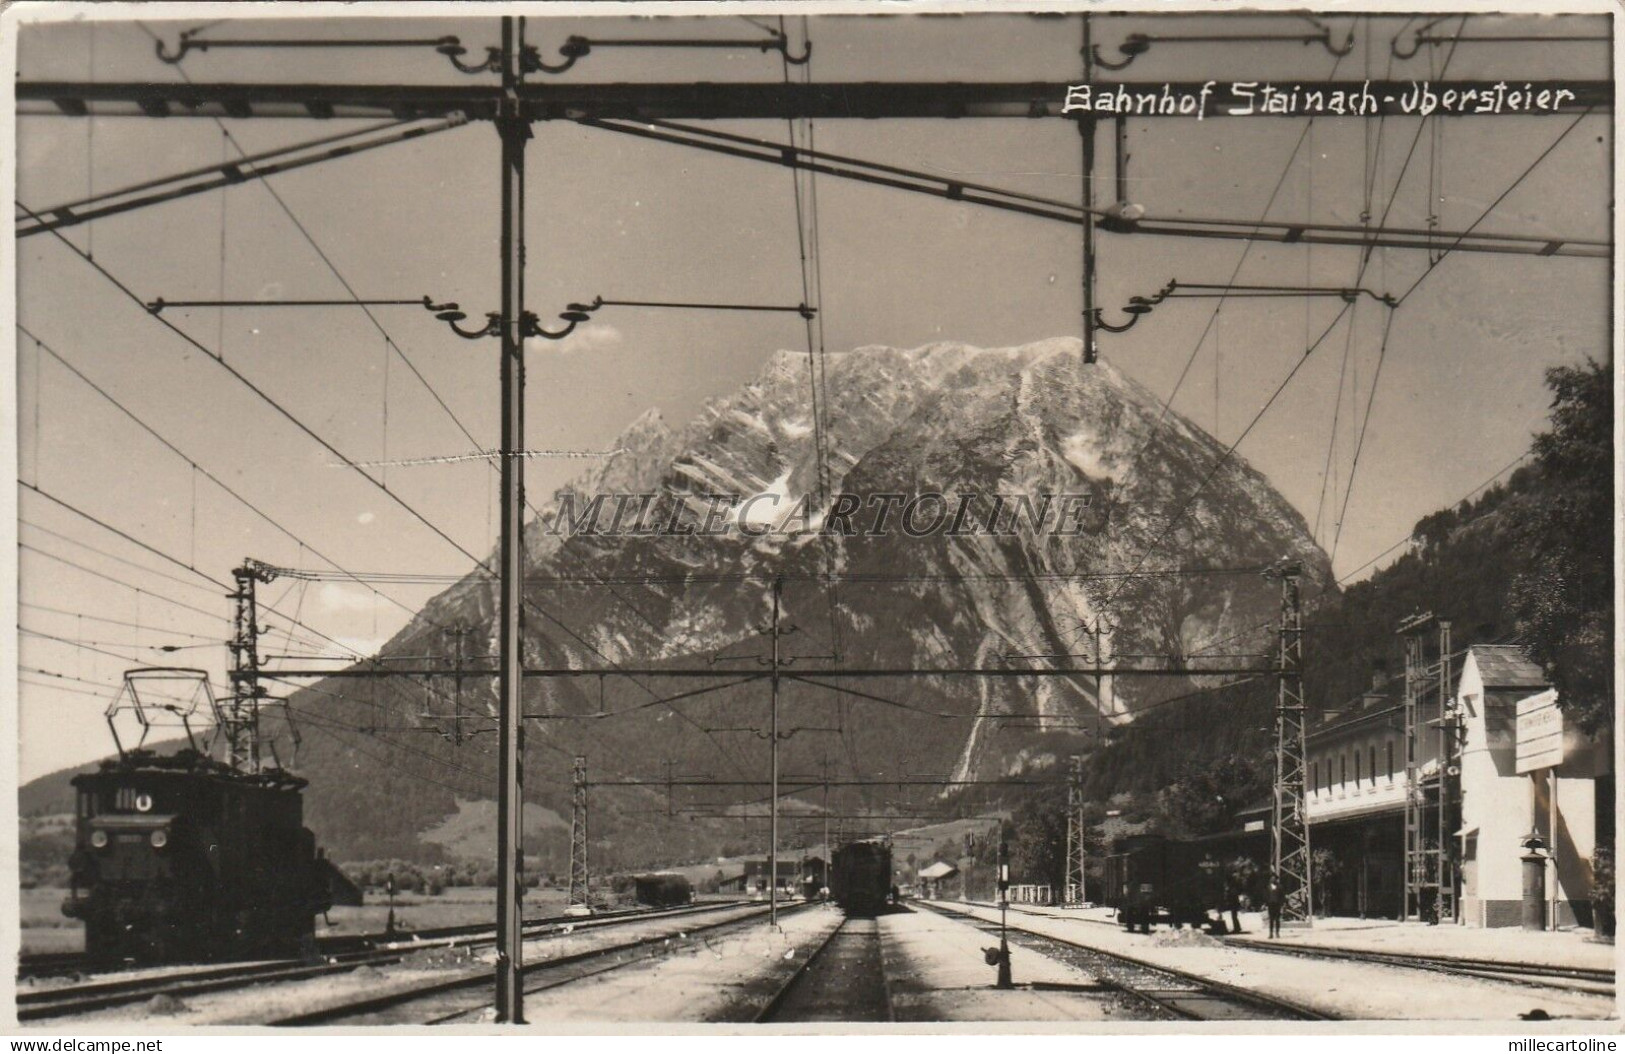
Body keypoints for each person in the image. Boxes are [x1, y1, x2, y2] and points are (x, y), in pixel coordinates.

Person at [1266, 874, 1285, 938]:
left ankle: (1277, 933)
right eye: (1271, 878)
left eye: (1274, 878)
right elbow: (1266, 896)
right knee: (1271, 919)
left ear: (1276, 879)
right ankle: (1270, 933)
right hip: (1270, 905)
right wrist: (1266, 904)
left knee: (1277, 919)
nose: (1272, 880)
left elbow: (1282, 896)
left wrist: (1282, 904)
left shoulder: (1280, 887)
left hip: (1277, 905)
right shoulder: (1268, 887)